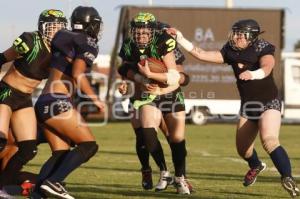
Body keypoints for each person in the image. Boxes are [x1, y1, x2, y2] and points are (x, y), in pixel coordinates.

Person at [170, 19, 300, 197]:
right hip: (249, 105)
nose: (235, 37)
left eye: (240, 33)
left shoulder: (262, 46)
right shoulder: (231, 50)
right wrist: (180, 38)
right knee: (243, 149)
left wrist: (253, 74)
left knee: (269, 139)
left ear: (251, 36)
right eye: (235, 32)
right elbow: (201, 54)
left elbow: (268, 66)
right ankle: (256, 165)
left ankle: (287, 178)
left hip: (269, 102)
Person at [32, 6, 105, 199]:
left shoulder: (64, 36)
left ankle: (37, 193)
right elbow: (78, 74)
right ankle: (54, 183)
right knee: (89, 145)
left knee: (61, 152)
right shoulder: (87, 42)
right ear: (91, 25)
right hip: (58, 100)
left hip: (43, 101)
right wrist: (96, 99)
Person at [118, 12, 191, 195]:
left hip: (170, 95)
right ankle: (160, 171)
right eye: (138, 32)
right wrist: (131, 80)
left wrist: (152, 76)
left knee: (176, 139)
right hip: (144, 96)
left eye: (145, 32)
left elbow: (181, 77)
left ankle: (181, 177)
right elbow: (124, 67)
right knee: (145, 135)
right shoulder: (129, 44)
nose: (141, 36)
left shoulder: (165, 43)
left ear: (154, 33)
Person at [0, 9, 67, 198]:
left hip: (24, 99)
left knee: (29, 149)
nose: (56, 31)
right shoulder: (30, 41)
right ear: (43, 27)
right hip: (5, 93)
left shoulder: (60, 51)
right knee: (0, 140)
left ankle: (2, 186)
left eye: (60, 28)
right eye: (53, 27)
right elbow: (2, 58)